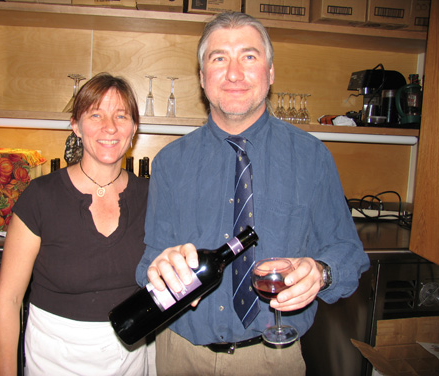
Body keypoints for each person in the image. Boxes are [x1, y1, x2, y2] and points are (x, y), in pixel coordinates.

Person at [136, 11, 370, 376]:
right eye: (219, 58)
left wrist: (321, 272)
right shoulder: (169, 163)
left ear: (271, 72)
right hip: (179, 356)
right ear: (202, 77)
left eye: (249, 56)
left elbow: (348, 252)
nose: (233, 73)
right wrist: (159, 270)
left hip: (273, 360)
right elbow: (149, 258)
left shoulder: (312, 157)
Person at [0, 73, 149, 375]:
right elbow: (8, 300)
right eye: (96, 115)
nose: (110, 127)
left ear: (134, 129)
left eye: (121, 115)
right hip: (52, 361)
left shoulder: (152, 198)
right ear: (76, 125)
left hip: (128, 360)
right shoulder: (40, 197)